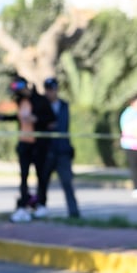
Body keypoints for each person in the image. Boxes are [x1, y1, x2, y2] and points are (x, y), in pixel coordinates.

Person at [0, 75, 54, 222]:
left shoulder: (40, 100)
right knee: (23, 176)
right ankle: (23, 205)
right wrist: (2, 118)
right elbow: (18, 117)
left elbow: (51, 120)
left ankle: (41, 204)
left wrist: (37, 120)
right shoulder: (22, 102)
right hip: (24, 144)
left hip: (38, 145)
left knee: (41, 176)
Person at [39, 78, 80, 218]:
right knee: (42, 181)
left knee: (67, 182)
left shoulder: (64, 105)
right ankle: (41, 208)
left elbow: (62, 126)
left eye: (54, 89)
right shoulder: (41, 105)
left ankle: (73, 212)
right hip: (46, 151)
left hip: (62, 151)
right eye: (49, 90)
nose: (52, 93)